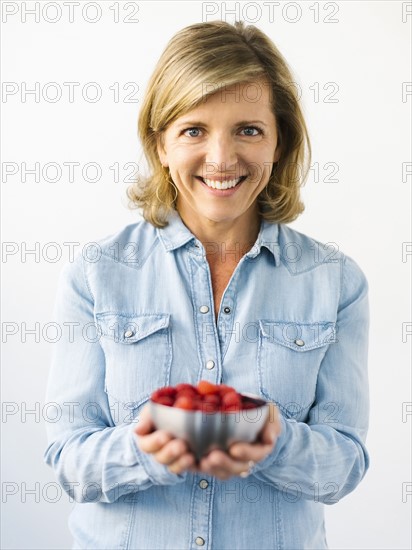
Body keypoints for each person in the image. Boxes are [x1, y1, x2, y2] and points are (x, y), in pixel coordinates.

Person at [44, 20, 370, 550]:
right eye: (194, 130)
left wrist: (271, 438)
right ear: (161, 144)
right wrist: (150, 451)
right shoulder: (96, 274)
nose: (221, 158)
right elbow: (69, 463)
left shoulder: (336, 282)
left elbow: (345, 466)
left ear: (279, 141)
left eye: (248, 129)